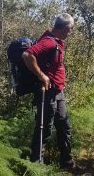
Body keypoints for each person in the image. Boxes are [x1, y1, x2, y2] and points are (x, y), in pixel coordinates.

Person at [22, 13, 76, 169]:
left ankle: (67, 163)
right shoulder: (49, 42)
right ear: (65, 28)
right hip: (48, 92)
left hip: (58, 92)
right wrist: (42, 76)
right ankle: (36, 166)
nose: (70, 33)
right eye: (70, 29)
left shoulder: (56, 41)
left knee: (64, 127)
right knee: (44, 128)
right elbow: (27, 54)